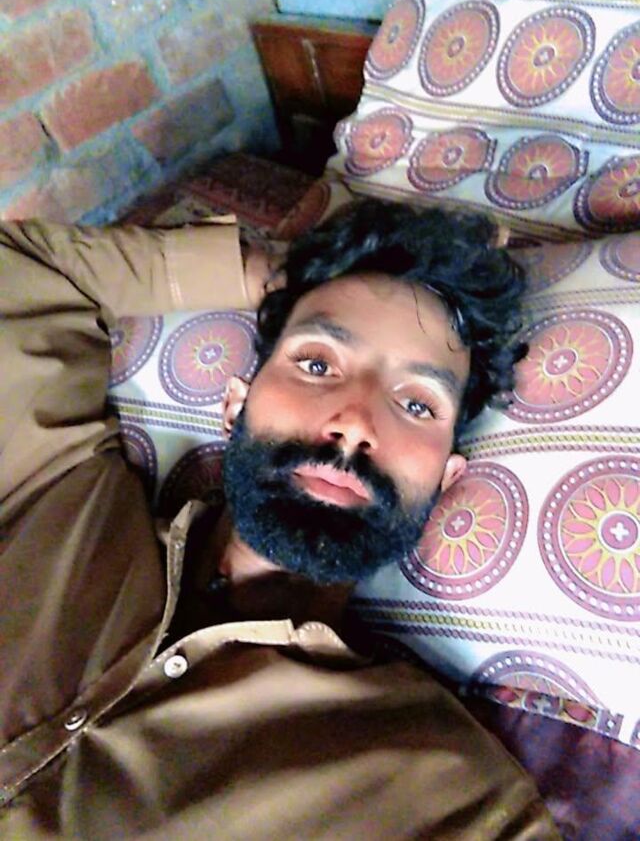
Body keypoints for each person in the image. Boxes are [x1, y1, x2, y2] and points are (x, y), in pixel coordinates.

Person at [0, 200, 558, 839]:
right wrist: (277, 275)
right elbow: (22, 267)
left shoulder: (450, 788)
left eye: (416, 404)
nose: (355, 422)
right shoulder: (57, 489)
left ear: (444, 481)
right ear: (235, 407)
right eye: (317, 365)